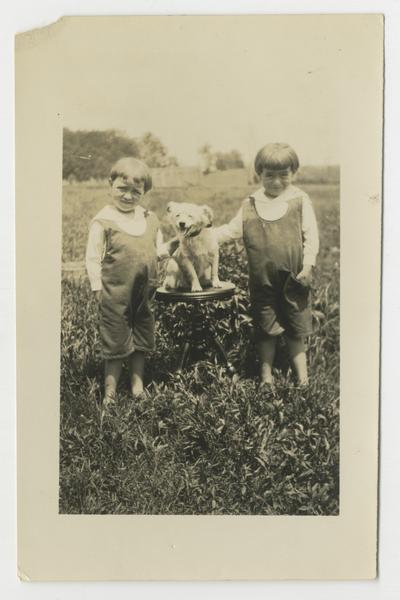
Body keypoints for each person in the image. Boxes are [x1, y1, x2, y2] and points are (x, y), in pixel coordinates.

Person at [215, 143, 319, 388]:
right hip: (262, 280)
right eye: (269, 175)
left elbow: (311, 236)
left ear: (294, 173)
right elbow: (231, 231)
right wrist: (204, 235)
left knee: (296, 327)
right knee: (265, 328)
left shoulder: (299, 200)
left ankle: (303, 379)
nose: (276, 181)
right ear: (258, 174)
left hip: (294, 278)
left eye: (283, 175)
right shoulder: (250, 203)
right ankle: (266, 377)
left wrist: (308, 265)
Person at [85, 157, 172, 406]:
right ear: (110, 185)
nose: (128, 196)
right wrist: (97, 288)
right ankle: (110, 393)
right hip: (115, 292)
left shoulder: (149, 218)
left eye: (136, 191)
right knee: (115, 340)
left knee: (141, 339)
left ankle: (137, 385)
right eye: (122, 189)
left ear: (144, 192)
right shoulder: (103, 221)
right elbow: (92, 258)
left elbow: (157, 251)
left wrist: (172, 246)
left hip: (144, 291)